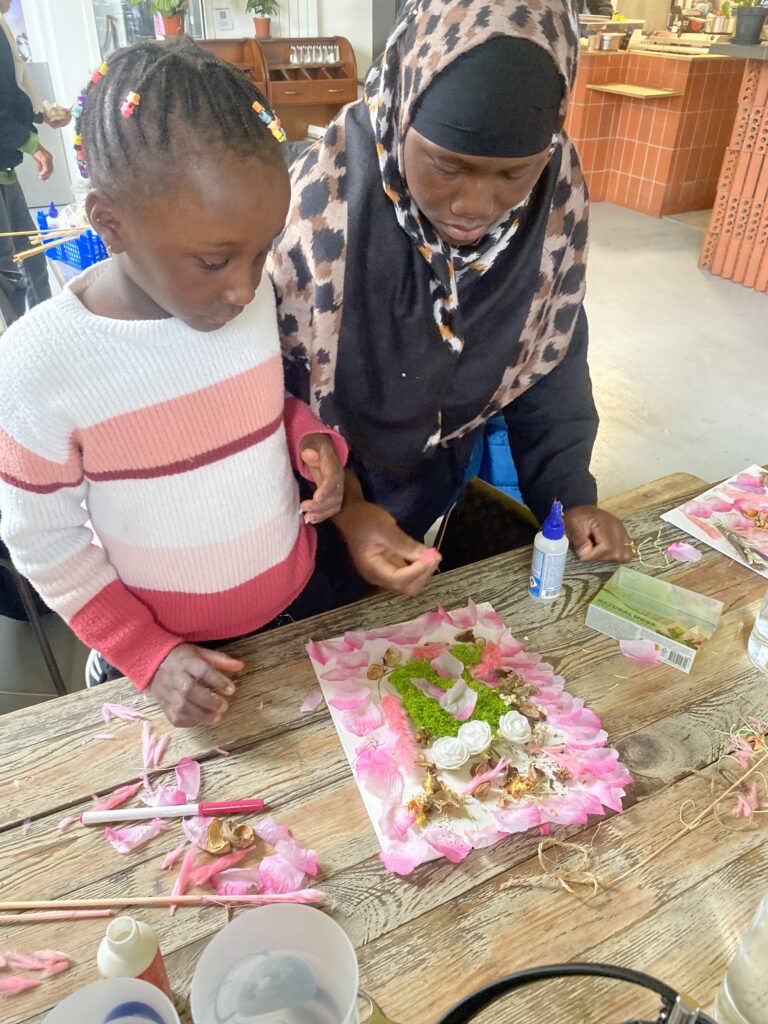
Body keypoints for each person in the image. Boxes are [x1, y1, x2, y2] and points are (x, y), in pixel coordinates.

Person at [0, 39, 438, 729]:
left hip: (296, 607)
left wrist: (310, 444)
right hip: (165, 659)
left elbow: (259, 406)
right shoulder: (38, 363)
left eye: (262, 250)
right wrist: (146, 654)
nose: (243, 286)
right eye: (212, 261)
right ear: (109, 222)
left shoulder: (248, 298)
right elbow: (44, 542)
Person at [270, 0, 633, 565]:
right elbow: (272, 396)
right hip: (301, 510)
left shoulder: (550, 211)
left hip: (430, 491)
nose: (475, 206)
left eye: (514, 172)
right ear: (402, 112)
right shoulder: (321, 213)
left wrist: (569, 496)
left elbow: (550, 364)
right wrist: (349, 508)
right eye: (447, 166)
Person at [0, 12, 54, 324]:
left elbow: (12, 88)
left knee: (32, 255)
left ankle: (48, 328)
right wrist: (34, 146)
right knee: (8, 272)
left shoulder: (2, 22)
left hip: (6, 166)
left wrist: (39, 114)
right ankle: (17, 342)